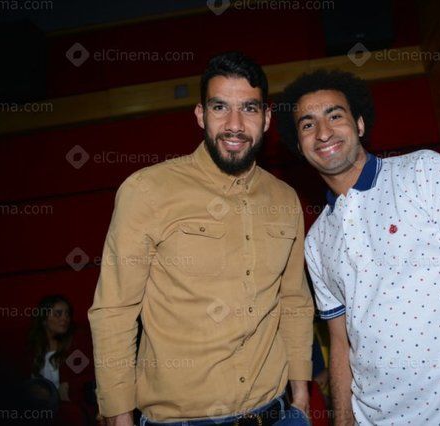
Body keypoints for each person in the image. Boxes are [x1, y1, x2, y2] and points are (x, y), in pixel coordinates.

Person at [277, 69, 440, 425]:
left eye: (335, 116)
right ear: (298, 144)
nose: (323, 132)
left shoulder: (425, 172)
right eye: (308, 125)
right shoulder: (315, 240)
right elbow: (340, 345)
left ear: (360, 124)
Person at [88, 51, 313, 426]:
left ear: (266, 118)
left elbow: (294, 300)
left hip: (277, 414)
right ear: (200, 115)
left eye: (249, 109)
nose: (234, 125)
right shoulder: (147, 191)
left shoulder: (285, 199)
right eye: (220, 107)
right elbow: (114, 311)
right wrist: (119, 417)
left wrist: (301, 395)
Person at [25, 294, 96, 425]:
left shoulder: (77, 347)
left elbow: (87, 378)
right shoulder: (32, 351)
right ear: (44, 319)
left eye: (67, 314)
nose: (64, 318)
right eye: (58, 314)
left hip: (71, 416)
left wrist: (56, 393)